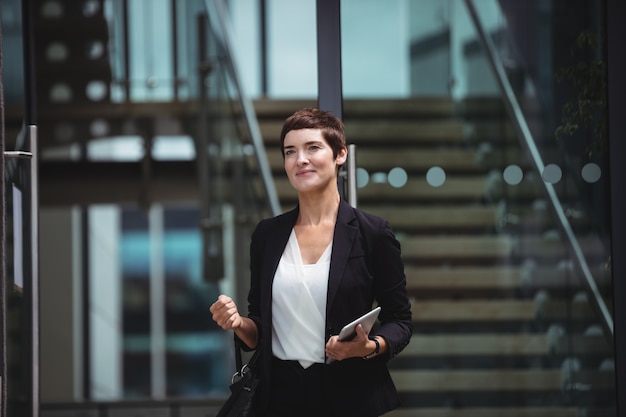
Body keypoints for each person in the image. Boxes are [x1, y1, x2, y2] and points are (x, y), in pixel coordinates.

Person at [210, 108, 412, 417]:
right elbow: (259, 329)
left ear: (340, 154)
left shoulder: (373, 233)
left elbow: (401, 320)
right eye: (290, 151)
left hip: (348, 396)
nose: (300, 159)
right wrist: (238, 323)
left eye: (312, 147)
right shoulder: (268, 234)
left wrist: (370, 347)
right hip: (278, 397)